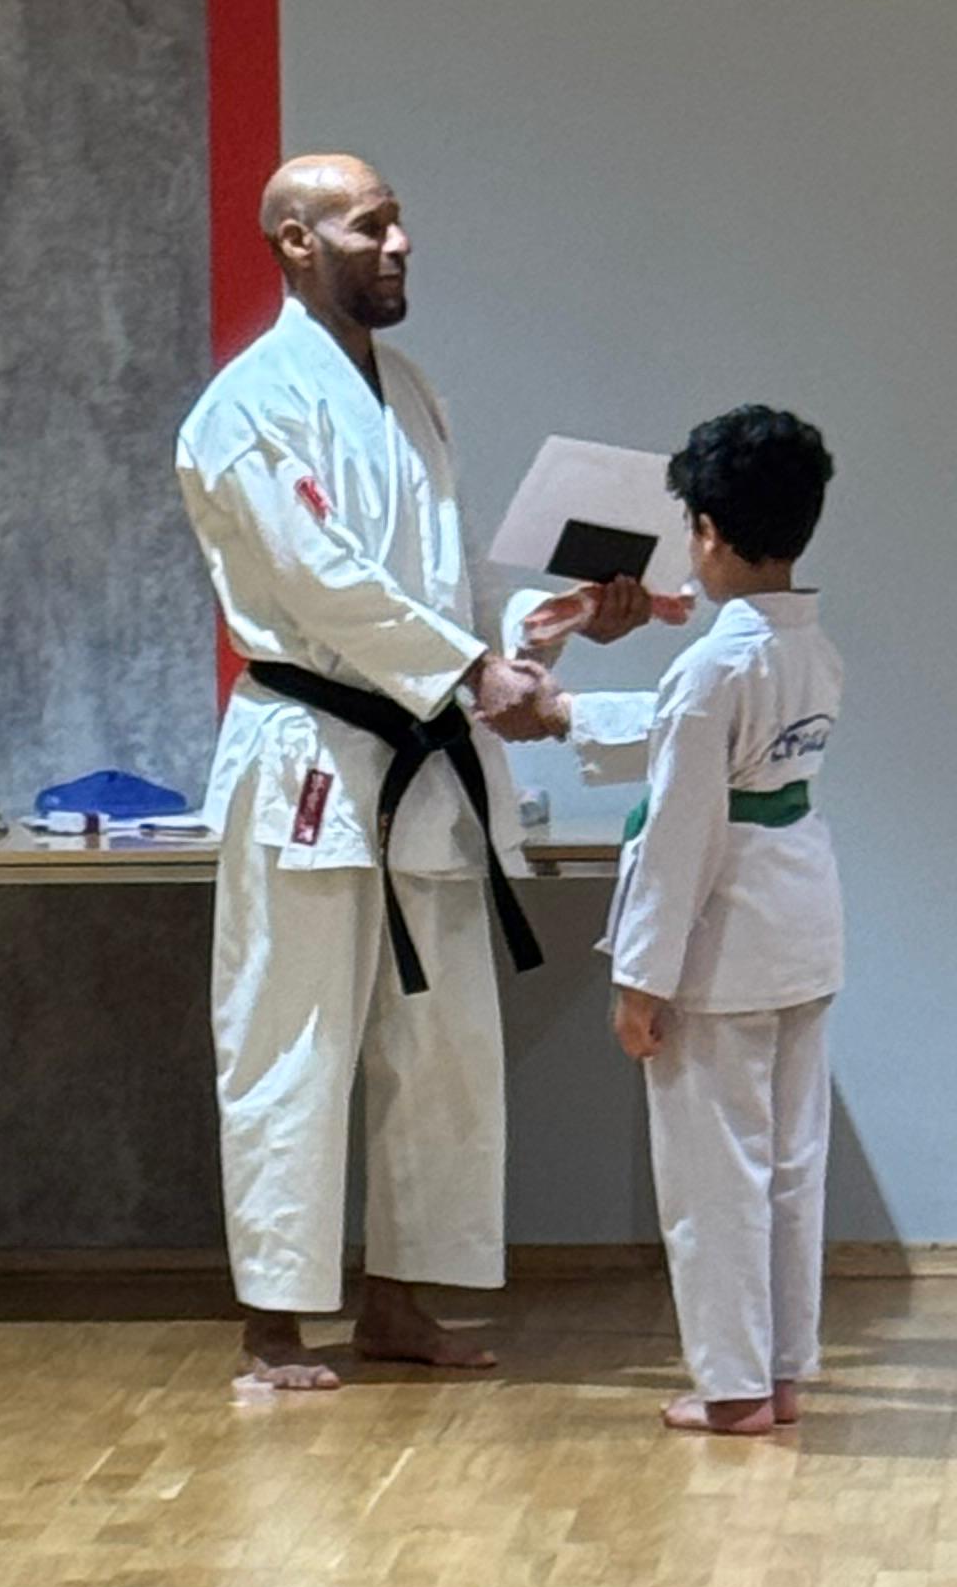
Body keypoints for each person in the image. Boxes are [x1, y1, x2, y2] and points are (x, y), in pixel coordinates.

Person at [175, 154, 647, 1397]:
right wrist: (472, 673)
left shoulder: (414, 392)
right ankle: (275, 1323)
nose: (398, 246)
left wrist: (557, 619)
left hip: (426, 763)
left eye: (399, 226)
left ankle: (399, 1301)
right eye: (367, 226)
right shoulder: (246, 409)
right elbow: (320, 582)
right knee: (293, 1038)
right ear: (292, 242)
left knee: (437, 1048)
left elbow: (444, 584)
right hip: (316, 760)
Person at [607, 407, 841, 1438]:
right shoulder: (812, 650)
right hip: (800, 915)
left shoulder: (712, 668)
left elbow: (681, 833)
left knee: (716, 1174)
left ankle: (733, 1386)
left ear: (705, 530)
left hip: (721, 938)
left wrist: (640, 976)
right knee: (791, 1166)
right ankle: (781, 1371)